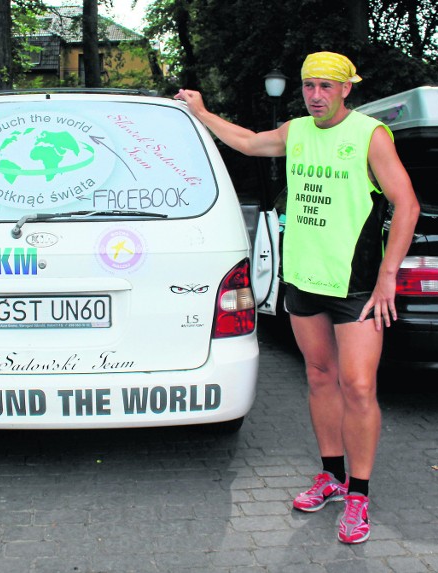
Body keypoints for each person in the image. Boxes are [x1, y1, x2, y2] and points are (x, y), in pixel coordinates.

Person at [176, 51, 420, 544]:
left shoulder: (369, 135)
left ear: (347, 88)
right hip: (304, 280)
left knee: (358, 387)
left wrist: (389, 277)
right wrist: (201, 114)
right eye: (309, 86)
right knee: (319, 376)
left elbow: (407, 203)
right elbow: (245, 142)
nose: (315, 95)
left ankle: (359, 494)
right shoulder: (296, 132)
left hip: (356, 285)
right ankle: (331, 475)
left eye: (326, 87)